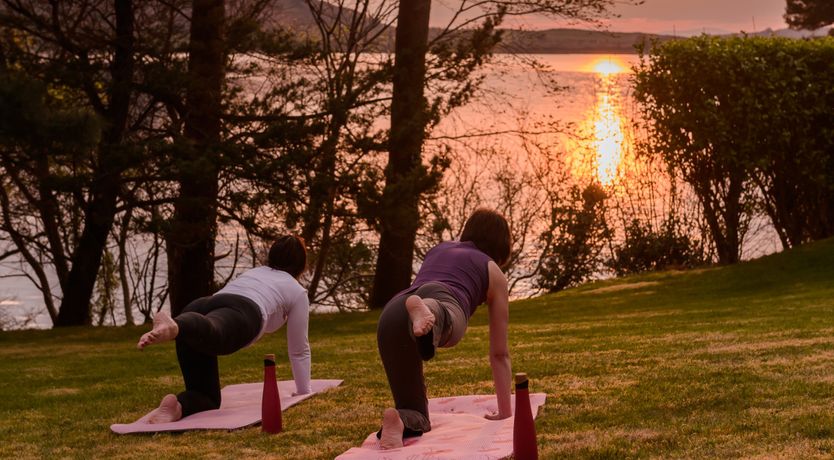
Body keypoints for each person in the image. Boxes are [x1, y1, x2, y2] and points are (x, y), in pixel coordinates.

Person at [136, 235, 312, 423]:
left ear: (272, 255)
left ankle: (177, 407)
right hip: (240, 311)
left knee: (207, 397)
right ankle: (176, 326)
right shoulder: (297, 291)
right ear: (301, 265)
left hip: (200, 308)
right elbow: (299, 349)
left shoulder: (256, 272)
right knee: (215, 332)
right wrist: (304, 391)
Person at [376, 208, 513, 449]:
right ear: (502, 244)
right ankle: (428, 310)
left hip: (393, 314)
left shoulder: (440, 249)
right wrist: (505, 412)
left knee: (416, 411)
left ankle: (398, 420)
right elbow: (499, 353)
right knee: (446, 322)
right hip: (440, 300)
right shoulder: (493, 270)